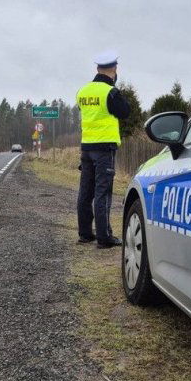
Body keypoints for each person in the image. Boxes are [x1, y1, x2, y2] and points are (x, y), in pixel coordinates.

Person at [76, 50, 131, 249]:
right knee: (103, 192)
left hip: (86, 148)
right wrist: (116, 89)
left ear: (98, 68)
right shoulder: (110, 92)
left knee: (85, 191)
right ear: (114, 69)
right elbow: (125, 111)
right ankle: (104, 237)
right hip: (104, 149)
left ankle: (85, 233)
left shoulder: (82, 91)